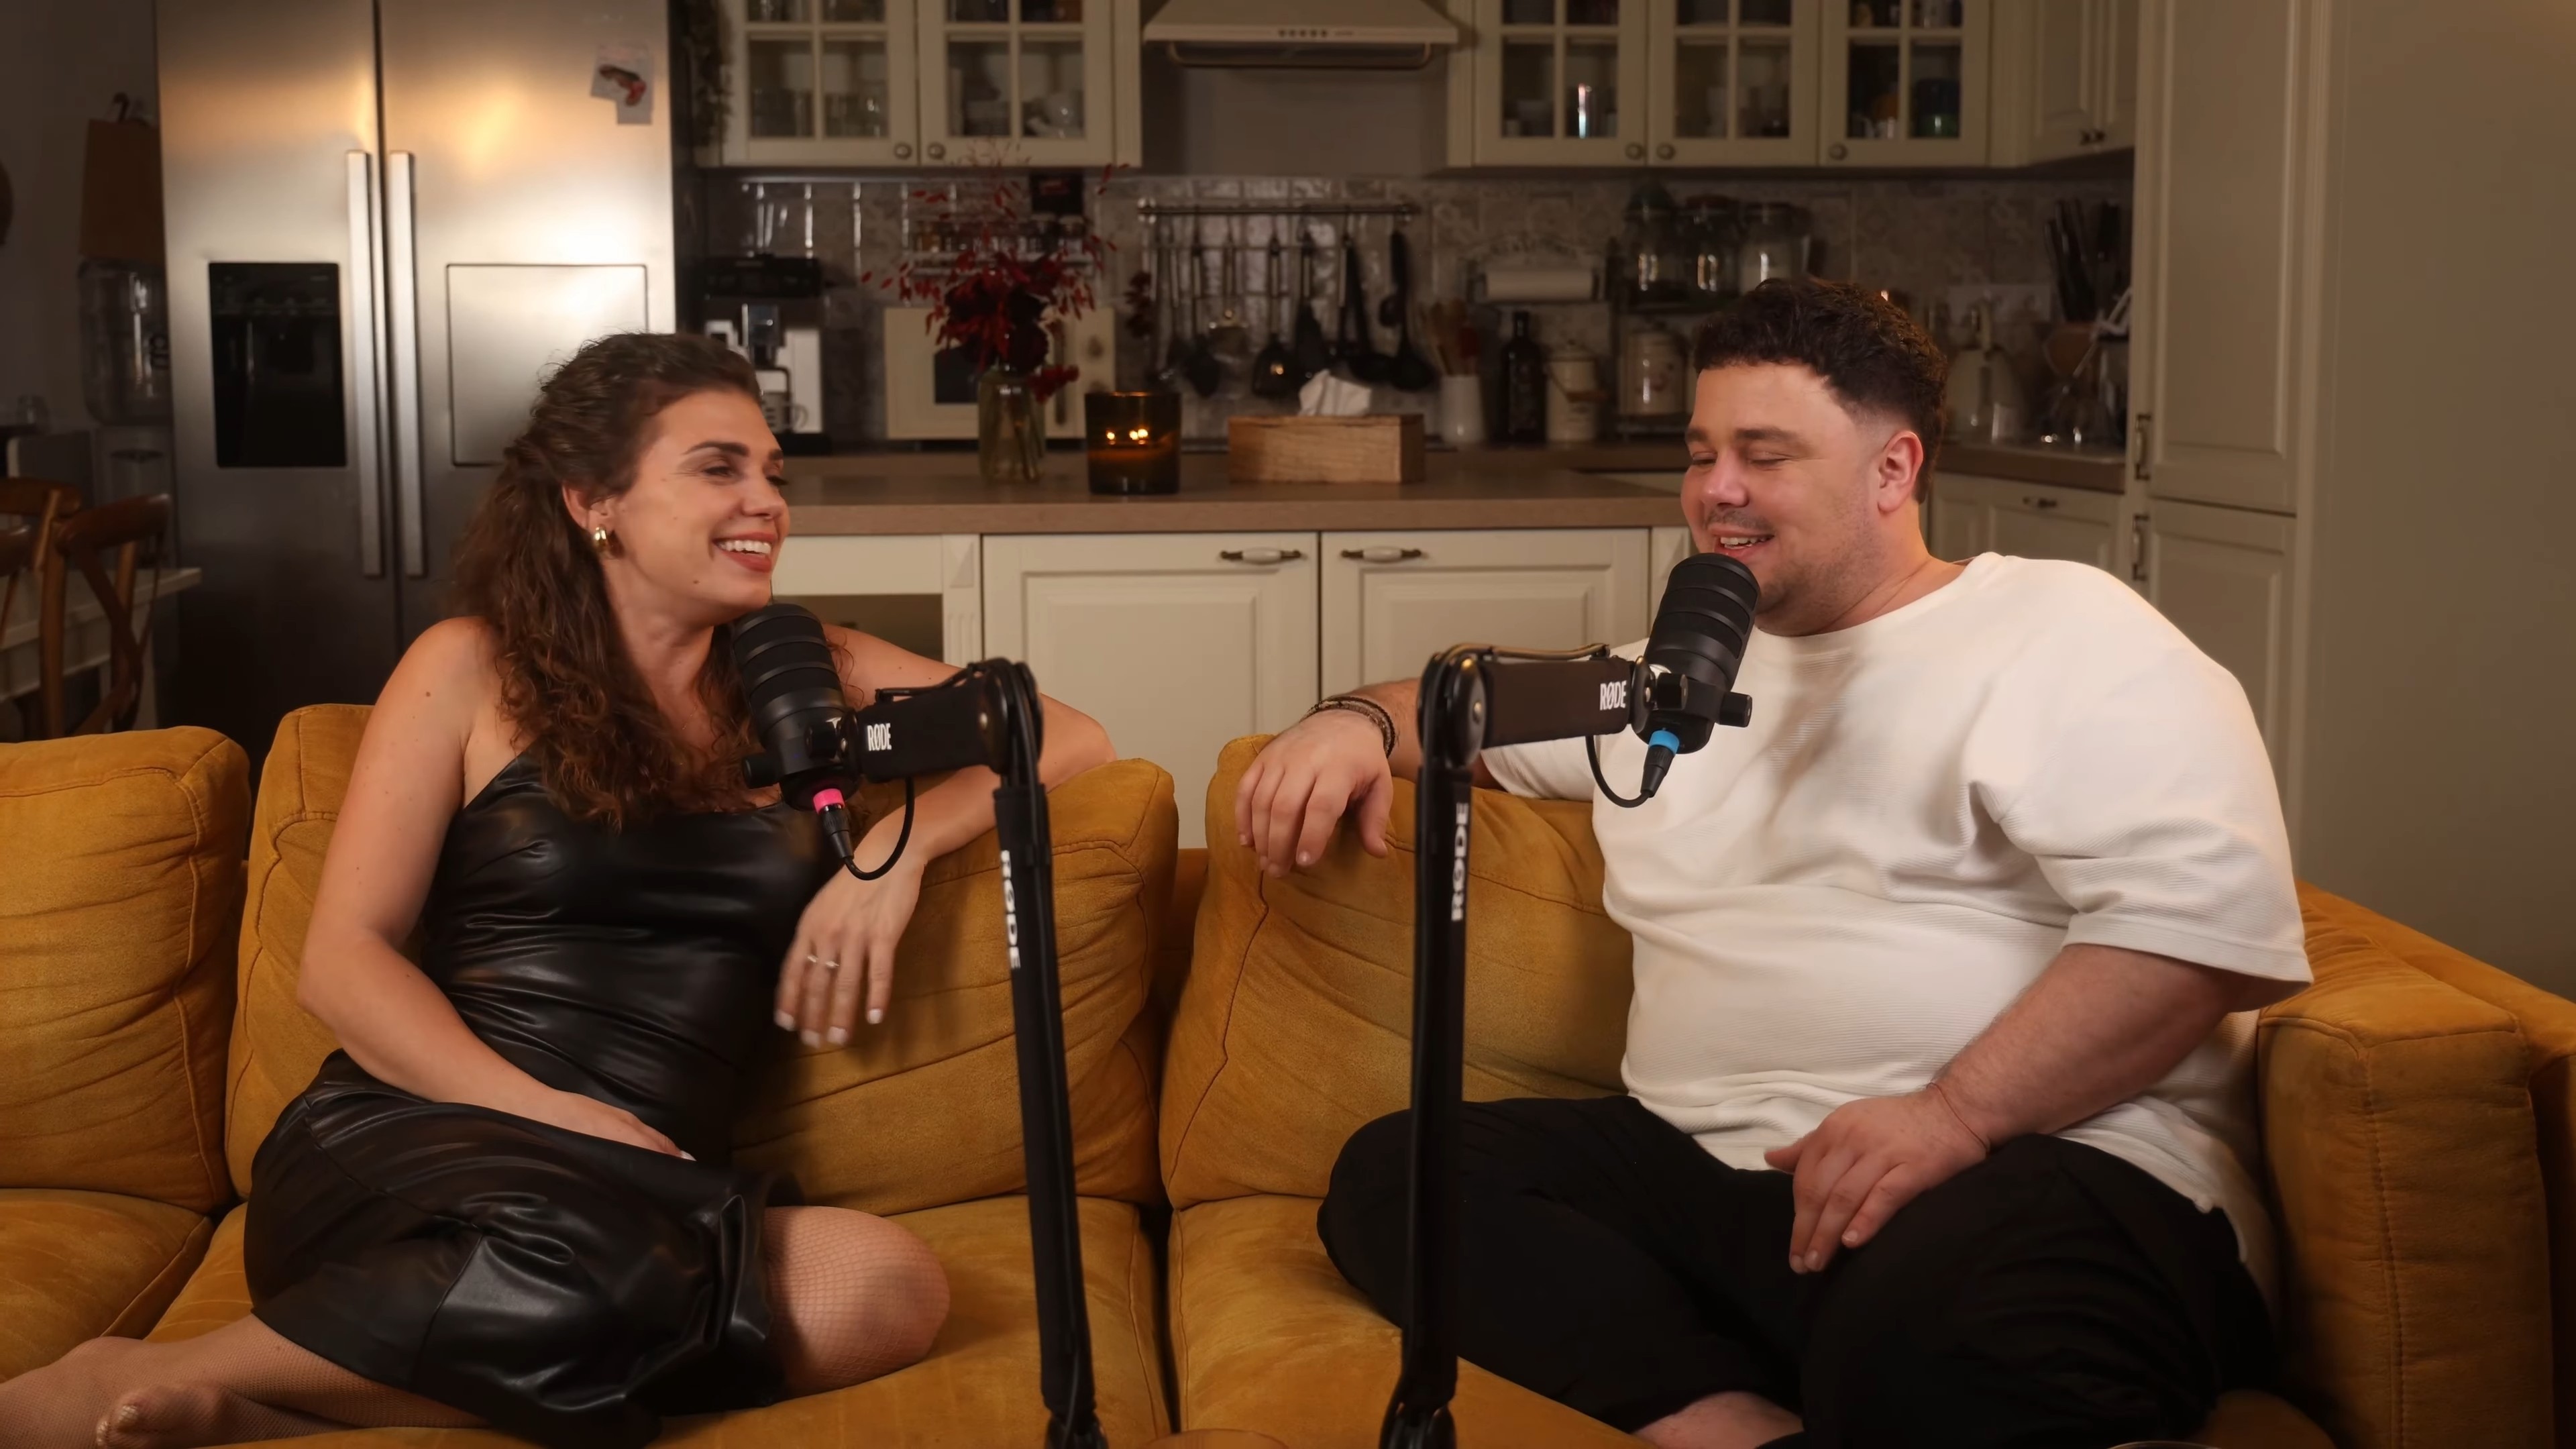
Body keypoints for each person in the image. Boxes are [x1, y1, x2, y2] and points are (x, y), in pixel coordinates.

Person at [1240, 279, 2309, 1449]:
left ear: (1894, 470)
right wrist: (1353, 721)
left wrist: (1951, 1115)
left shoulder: (2066, 631)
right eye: (1701, 454)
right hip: (1721, 1181)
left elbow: (2199, 936)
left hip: (2035, 1168)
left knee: (1923, 1330)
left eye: (1765, 454)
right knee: (1403, 1175)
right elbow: (1454, 708)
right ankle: (1739, 1425)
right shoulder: (1665, 682)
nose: (1717, 490)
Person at [0, 333, 1115, 1449]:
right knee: (601, 1265)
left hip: (648, 1189)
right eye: (718, 468)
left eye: (773, 473)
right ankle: (135, 1375)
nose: (766, 502)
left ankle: (252, 1408)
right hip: (422, 1139)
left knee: (885, 1287)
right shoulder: (468, 667)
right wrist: (554, 1117)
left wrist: (898, 861)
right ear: (594, 501)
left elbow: (1062, 734)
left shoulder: (803, 669)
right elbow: (344, 962)